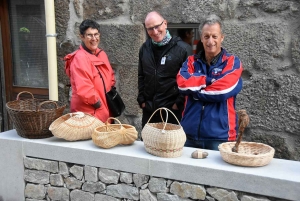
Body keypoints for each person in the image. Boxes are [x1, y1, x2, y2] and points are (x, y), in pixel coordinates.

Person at [176, 14, 243, 150]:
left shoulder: (232, 62)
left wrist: (195, 91)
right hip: (189, 134)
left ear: (222, 37)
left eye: (214, 36)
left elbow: (222, 91)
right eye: (206, 36)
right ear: (201, 38)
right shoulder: (191, 61)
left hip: (219, 136)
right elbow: (182, 84)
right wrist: (208, 81)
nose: (210, 41)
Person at [137, 11, 193, 128]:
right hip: (150, 110)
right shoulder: (145, 48)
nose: (155, 32)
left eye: (157, 26)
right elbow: (141, 75)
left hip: (172, 111)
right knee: (147, 144)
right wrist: (142, 100)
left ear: (165, 24)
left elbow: (189, 80)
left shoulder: (183, 49)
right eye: (150, 29)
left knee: (170, 145)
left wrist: (178, 103)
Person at [64, 19, 115, 123]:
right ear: (81, 37)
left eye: (96, 34)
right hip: (90, 112)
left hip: (104, 108)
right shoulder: (79, 58)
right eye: (89, 35)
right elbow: (84, 89)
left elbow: (110, 76)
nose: (94, 38)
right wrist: (97, 103)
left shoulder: (102, 54)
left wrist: (111, 91)